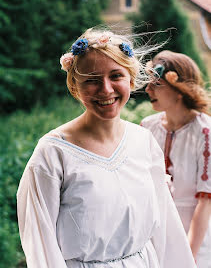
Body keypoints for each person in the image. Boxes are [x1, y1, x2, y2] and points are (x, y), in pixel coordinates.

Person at [17, 29, 196, 268]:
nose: (106, 89)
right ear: (74, 86)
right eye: (91, 79)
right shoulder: (52, 155)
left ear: (131, 80)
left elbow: (165, 228)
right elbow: (40, 245)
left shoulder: (143, 141)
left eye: (116, 76)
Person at [141, 50, 211, 267]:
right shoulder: (146, 127)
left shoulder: (205, 132)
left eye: (156, 84)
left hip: (196, 239)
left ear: (179, 89)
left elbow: (205, 203)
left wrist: (187, 257)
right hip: (155, 235)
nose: (147, 89)